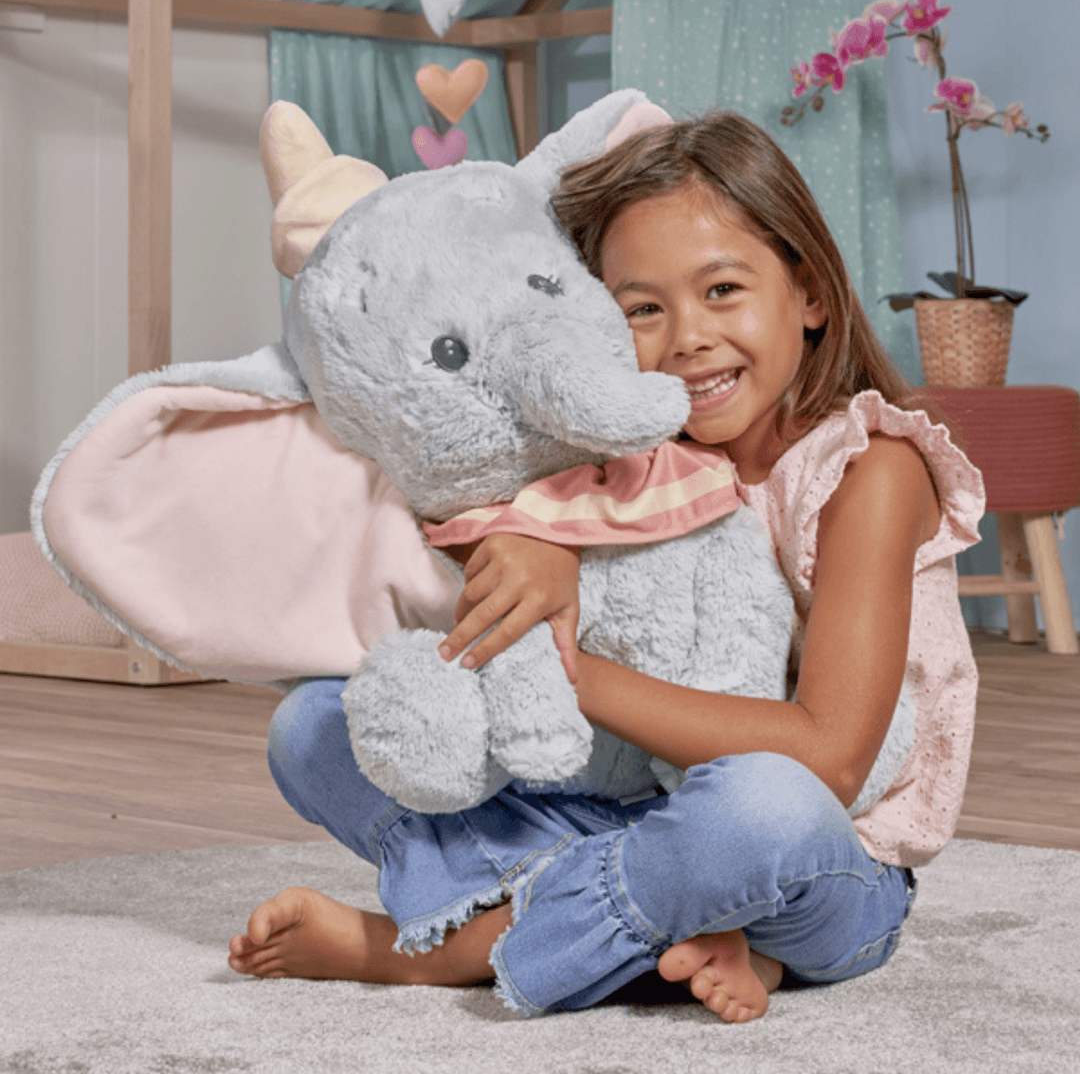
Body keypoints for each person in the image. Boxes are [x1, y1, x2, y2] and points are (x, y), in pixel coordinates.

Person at [227, 109, 983, 1023]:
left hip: (825, 860)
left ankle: (446, 952)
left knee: (757, 808)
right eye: (642, 310)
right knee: (312, 723)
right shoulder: (619, 447)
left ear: (809, 291)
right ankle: (655, 925)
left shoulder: (869, 471)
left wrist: (565, 668)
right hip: (618, 815)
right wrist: (533, 549)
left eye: (723, 290)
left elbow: (831, 759)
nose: (688, 338)